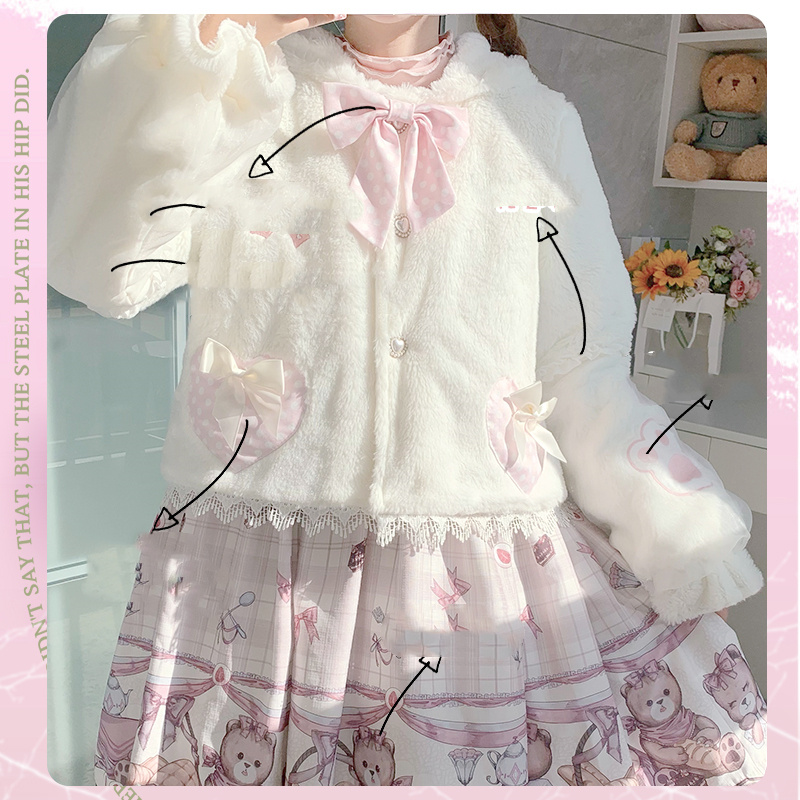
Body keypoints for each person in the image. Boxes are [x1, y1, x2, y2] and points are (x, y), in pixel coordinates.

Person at [48, 14, 766, 787]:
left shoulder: (534, 121)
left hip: (467, 579)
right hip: (257, 579)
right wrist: (218, 36)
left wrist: (683, 542)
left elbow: (582, 369)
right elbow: (105, 267)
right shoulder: (243, 91)